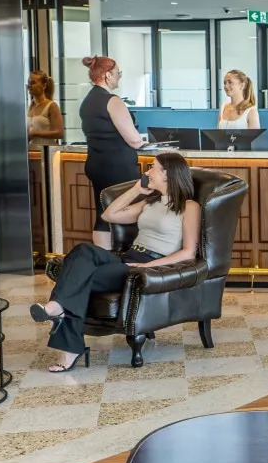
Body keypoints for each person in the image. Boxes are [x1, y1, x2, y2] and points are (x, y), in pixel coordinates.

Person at [30, 152, 202, 372]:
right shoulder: (149, 202)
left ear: (167, 174)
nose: (147, 171)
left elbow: (189, 252)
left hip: (148, 264)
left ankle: (65, 334)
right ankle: (59, 311)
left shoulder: (189, 206)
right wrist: (136, 190)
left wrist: (147, 267)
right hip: (127, 257)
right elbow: (109, 215)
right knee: (83, 250)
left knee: (78, 277)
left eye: (153, 167)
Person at [78, 55, 149, 246]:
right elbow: (134, 140)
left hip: (96, 164)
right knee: (125, 210)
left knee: (103, 214)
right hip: (117, 166)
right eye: (118, 73)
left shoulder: (88, 101)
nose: (119, 76)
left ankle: (102, 258)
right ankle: (123, 258)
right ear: (108, 75)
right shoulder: (112, 101)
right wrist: (143, 142)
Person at [26, 71, 63, 141]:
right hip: (33, 150)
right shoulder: (31, 106)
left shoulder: (52, 106)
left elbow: (59, 133)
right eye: (29, 82)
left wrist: (34, 134)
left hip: (47, 150)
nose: (29, 85)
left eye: (33, 83)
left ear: (44, 86)